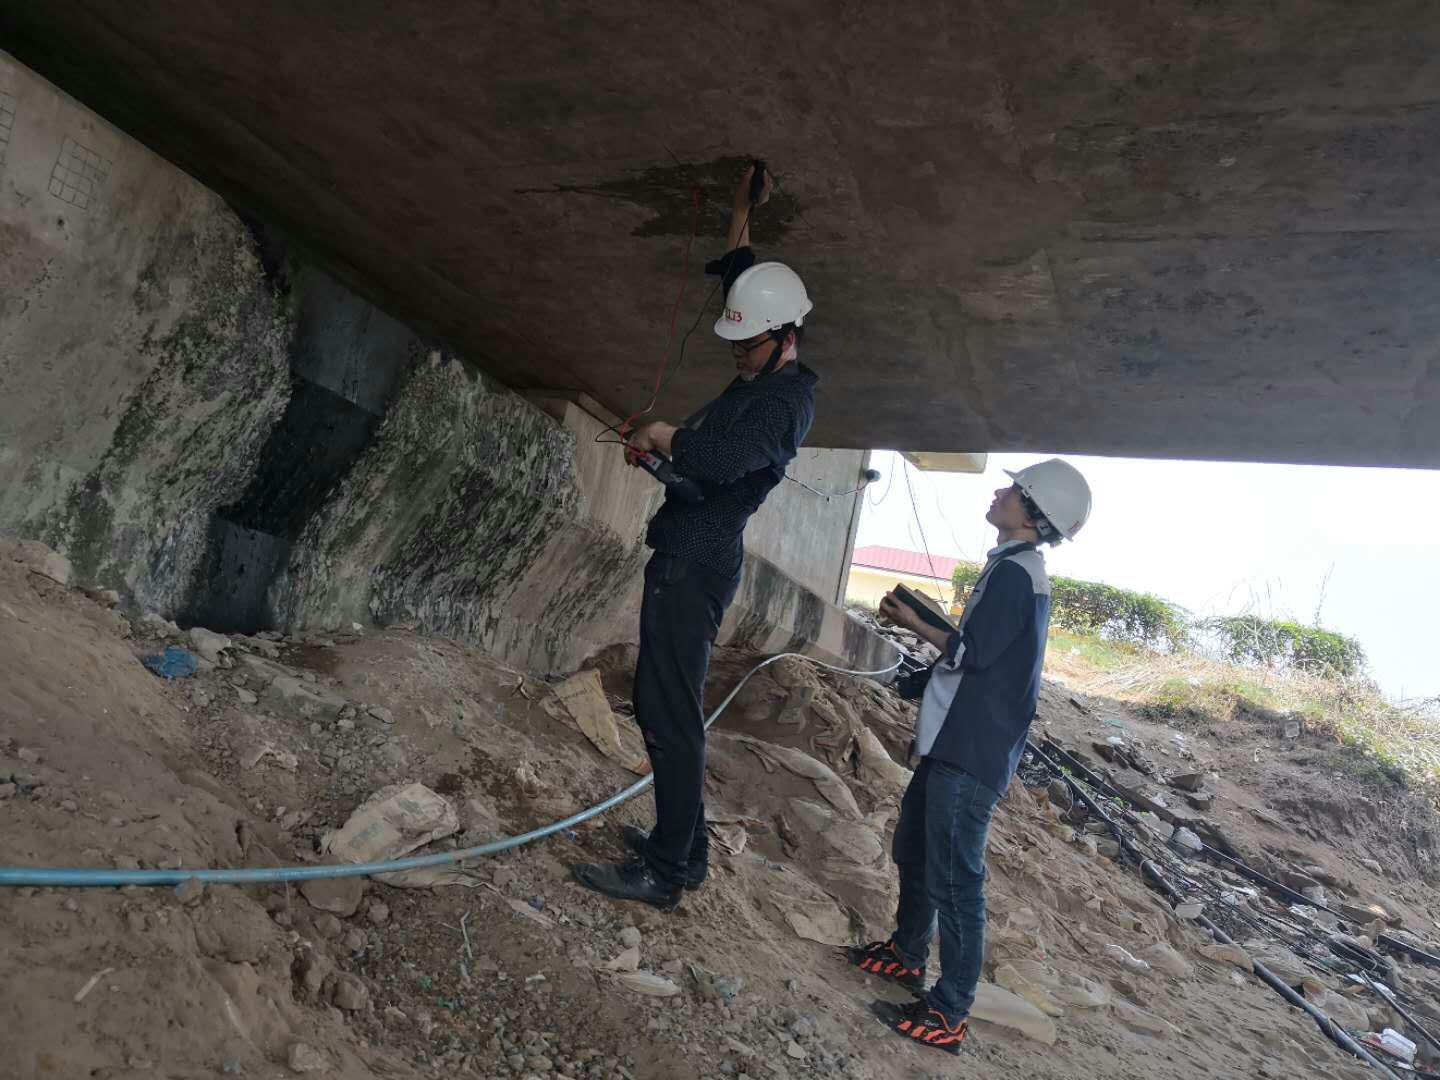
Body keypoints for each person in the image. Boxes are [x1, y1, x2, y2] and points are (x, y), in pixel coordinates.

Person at [572, 165, 818, 909]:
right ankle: (687, 846)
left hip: (698, 565)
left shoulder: (784, 404)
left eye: (746, 348)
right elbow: (743, 282)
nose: (734, 355)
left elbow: (714, 459)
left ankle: (670, 871)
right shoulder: (763, 372)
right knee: (665, 707)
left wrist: (663, 433)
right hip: (688, 549)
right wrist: (742, 212)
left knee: (668, 714)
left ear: (785, 339)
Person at [849, 459, 1092, 1055]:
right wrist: (921, 678)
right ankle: (907, 954)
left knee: (958, 881)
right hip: (952, 741)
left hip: (970, 749)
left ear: (1033, 513)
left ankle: (948, 1012)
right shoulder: (1008, 568)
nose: (999, 491)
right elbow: (980, 661)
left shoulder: (1018, 575)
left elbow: (976, 652)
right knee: (916, 848)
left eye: (1013, 489)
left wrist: (914, 623)